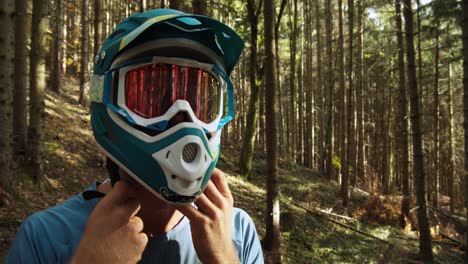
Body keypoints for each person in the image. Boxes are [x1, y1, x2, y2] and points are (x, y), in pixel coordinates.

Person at [6, 8, 264, 264]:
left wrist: (225, 258)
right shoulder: (45, 238)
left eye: (199, 102)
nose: (184, 123)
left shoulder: (237, 231)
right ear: (107, 100)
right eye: (152, 99)